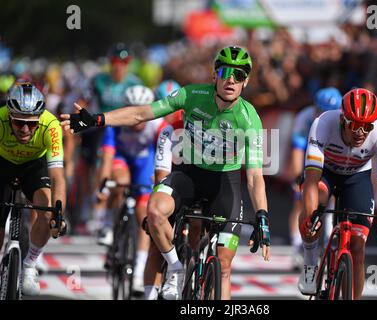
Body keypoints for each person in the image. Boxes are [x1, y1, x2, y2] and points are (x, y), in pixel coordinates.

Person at [61, 45, 271, 300]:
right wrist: (97, 119)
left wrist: (262, 215)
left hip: (224, 183)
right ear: (214, 74)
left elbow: (254, 176)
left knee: (224, 266)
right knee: (154, 211)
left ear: (245, 82)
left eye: (238, 75)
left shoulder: (250, 119)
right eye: (226, 71)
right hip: (189, 173)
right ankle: (175, 267)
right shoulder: (191, 95)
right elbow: (141, 113)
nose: (231, 79)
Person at [297, 88, 377, 299]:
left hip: (356, 178)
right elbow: (312, 179)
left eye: (366, 126)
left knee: (358, 247)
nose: (360, 132)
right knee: (316, 203)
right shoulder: (323, 123)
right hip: (325, 173)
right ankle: (309, 262)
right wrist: (312, 216)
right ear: (343, 119)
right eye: (354, 125)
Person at [96, 85, 165, 292]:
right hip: (122, 160)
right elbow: (107, 158)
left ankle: (139, 270)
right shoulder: (116, 124)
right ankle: (109, 222)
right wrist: (104, 185)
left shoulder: (157, 125)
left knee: (144, 214)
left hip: (144, 163)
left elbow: (165, 155)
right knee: (119, 181)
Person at [0, 83, 66, 296]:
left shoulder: (51, 125)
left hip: (34, 167)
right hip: (2, 163)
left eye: (32, 124)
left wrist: (59, 214)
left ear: (40, 119)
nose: (25, 130)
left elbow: (57, 176)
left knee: (47, 211)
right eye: (19, 123)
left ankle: (30, 265)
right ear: (9, 116)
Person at [80, 43, 142, 240]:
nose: (119, 66)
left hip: (125, 131)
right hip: (101, 129)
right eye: (115, 61)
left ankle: (115, 211)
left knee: (123, 176)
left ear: (129, 63)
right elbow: (84, 102)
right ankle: (97, 209)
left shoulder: (135, 84)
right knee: (99, 167)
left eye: (124, 62)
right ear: (109, 62)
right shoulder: (98, 80)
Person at [288, 87, 342, 270]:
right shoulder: (305, 118)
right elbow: (297, 150)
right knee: (300, 200)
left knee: (332, 199)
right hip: (309, 156)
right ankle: (297, 247)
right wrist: (298, 178)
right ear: (315, 108)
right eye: (321, 110)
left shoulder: (341, 119)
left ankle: (329, 242)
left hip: (332, 158)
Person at [141, 79, 183, 300]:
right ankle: (150, 294)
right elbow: (161, 175)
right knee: (155, 242)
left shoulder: (202, 124)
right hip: (170, 181)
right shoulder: (165, 129)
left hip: (193, 183)